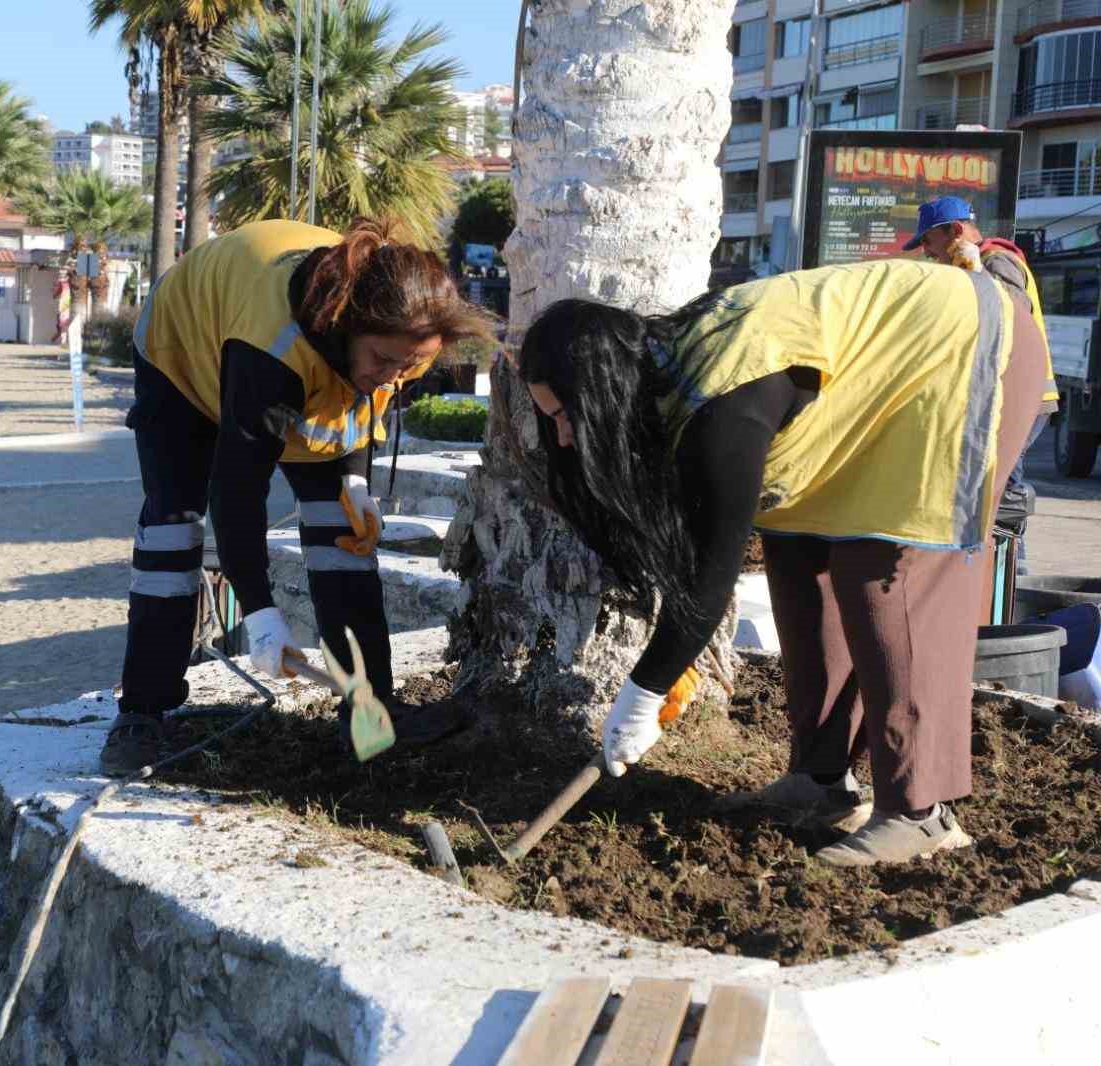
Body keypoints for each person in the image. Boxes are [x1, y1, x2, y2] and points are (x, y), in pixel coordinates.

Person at [517, 256, 1045, 866]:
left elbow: (706, 580)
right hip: (874, 393)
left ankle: (920, 813)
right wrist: (669, 668)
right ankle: (820, 781)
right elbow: (703, 549)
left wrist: (643, 693)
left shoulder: (724, 401)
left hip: (964, 349)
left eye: (564, 417)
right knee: (798, 565)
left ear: (603, 393)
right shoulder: (671, 383)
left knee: (884, 572)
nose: (561, 438)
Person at [103, 218, 495, 775]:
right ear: (347, 326)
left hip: (287, 351)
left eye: (407, 364)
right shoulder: (274, 351)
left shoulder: (411, 335)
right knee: (172, 530)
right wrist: (261, 614)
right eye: (383, 360)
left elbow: (367, 405)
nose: (393, 375)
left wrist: (354, 481)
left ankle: (369, 715)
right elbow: (236, 493)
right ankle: (141, 712)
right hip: (182, 351)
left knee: (342, 535)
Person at [905, 196, 1060, 574]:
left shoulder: (997, 262)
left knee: (999, 492)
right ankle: (997, 575)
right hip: (1007, 398)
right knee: (992, 488)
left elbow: (1008, 317)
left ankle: (1008, 579)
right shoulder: (974, 263)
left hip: (1022, 399)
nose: (926, 251)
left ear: (956, 231)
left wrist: (974, 272)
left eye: (929, 240)